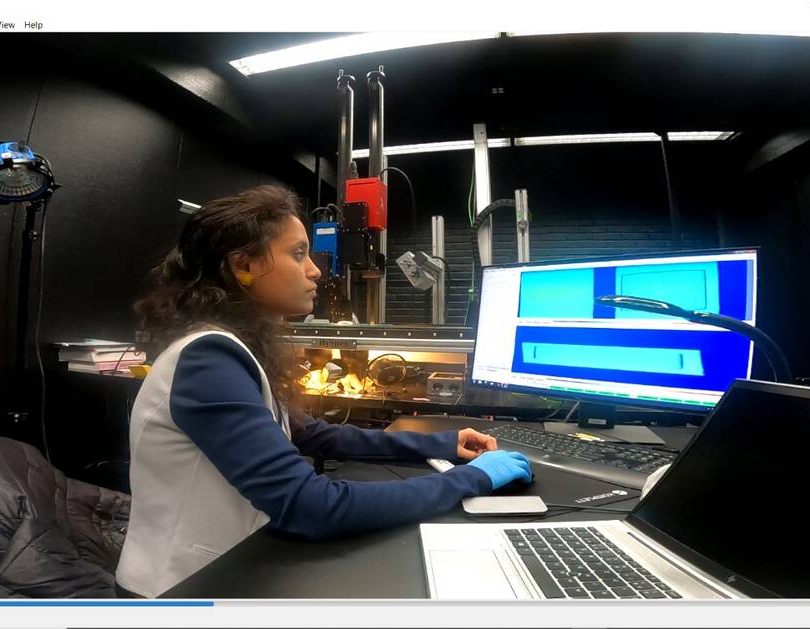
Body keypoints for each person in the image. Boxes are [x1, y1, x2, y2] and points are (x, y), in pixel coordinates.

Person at [114, 185, 533, 598]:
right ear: (242, 265)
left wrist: (443, 444)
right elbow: (311, 506)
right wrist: (471, 480)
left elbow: (312, 433)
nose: (315, 269)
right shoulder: (208, 359)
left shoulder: (228, 346)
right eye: (298, 254)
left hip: (226, 568)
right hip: (179, 589)